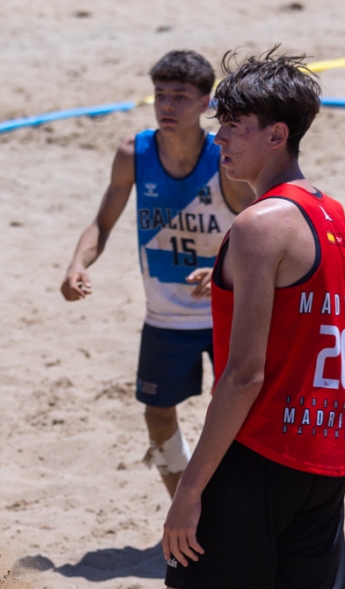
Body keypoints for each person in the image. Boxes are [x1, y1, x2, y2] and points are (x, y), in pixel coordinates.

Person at [140, 51, 345, 589]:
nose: (221, 136)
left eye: (235, 124)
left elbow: (244, 375)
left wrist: (190, 489)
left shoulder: (258, 225)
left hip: (256, 455)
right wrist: (227, 281)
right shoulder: (327, 216)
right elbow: (303, 311)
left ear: (277, 133)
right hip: (322, 457)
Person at [61, 50, 253, 498]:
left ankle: (237, 505)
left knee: (240, 415)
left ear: (205, 103)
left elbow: (263, 230)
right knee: (157, 414)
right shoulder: (134, 153)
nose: (167, 105)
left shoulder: (224, 159)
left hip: (226, 312)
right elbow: (102, 223)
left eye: (180, 97)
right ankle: (183, 504)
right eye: (160, 95)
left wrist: (223, 268)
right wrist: (77, 263)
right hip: (165, 316)